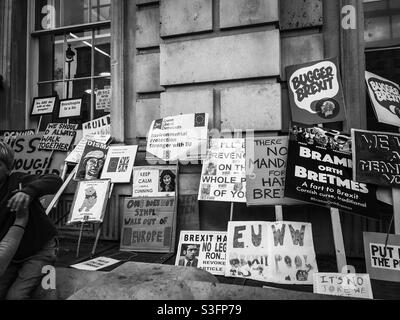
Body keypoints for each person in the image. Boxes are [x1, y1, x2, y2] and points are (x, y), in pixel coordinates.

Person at [0, 141, 62, 300]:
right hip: (11, 255)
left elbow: (55, 180)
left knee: (15, 296)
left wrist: (29, 191)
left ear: (8, 169)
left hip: (39, 251)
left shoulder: (19, 181)